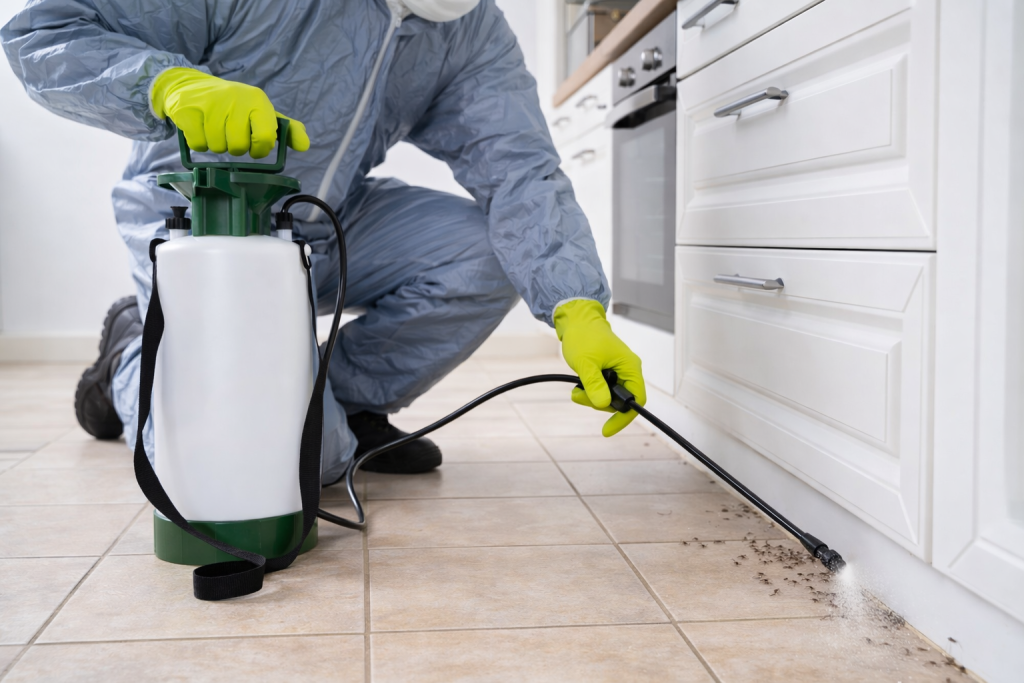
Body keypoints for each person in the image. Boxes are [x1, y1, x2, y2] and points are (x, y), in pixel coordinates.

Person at [2, 0, 646, 484]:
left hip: (327, 218)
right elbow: (46, 33)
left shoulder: (469, 28)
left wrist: (576, 308)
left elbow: (519, 171)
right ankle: (128, 356)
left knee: (484, 255)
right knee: (293, 462)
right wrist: (168, 84)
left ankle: (346, 406)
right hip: (205, 220)